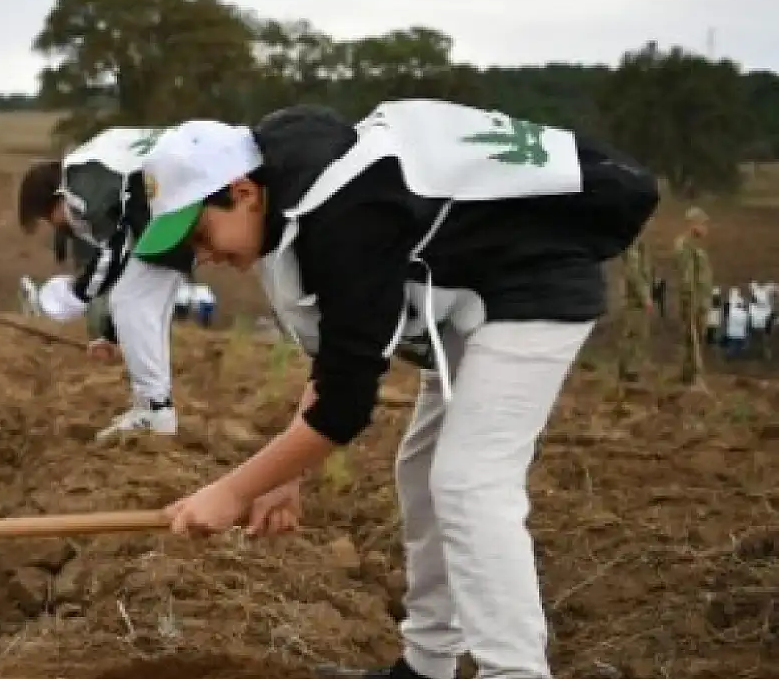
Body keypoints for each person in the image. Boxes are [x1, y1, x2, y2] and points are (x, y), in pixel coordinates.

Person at [136, 102, 658, 679]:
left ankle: (515, 671)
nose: (202, 256)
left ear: (242, 191)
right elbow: (339, 361)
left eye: (200, 233)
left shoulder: (345, 214)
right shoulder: (293, 197)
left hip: (534, 286)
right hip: (474, 296)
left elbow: (345, 408)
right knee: (423, 470)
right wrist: (282, 473)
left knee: (470, 480)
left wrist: (234, 492)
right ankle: (428, 665)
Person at [17, 126, 192, 439]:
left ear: (56, 198)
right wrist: (114, 336)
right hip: (179, 205)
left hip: (176, 206)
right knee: (143, 303)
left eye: (48, 218)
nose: (58, 226)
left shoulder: (80, 182)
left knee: (132, 300)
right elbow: (123, 263)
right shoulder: (97, 166)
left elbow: (115, 248)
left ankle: (155, 410)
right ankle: (151, 406)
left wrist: (78, 293)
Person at [674, 206, 712, 387]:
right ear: (693, 225)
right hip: (693, 301)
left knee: (695, 337)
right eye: (703, 224)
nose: (706, 228)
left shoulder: (695, 246)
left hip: (700, 301)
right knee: (692, 339)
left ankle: (687, 375)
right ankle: (695, 377)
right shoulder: (685, 246)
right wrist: (691, 303)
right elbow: (687, 279)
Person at [616, 239, 653, 381]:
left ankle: (628, 370)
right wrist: (645, 297)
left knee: (634, 334)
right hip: (634, 300)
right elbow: (634, 275)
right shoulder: (633, 247)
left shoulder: (638, 245)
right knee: (635, 335)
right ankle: (630, 371)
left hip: (635, 299)